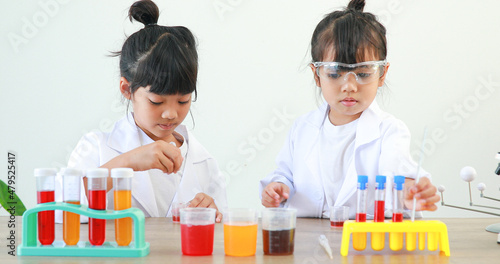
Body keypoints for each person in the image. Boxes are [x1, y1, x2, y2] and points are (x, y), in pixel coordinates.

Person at [259, 0, 439, 219]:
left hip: (365, 242)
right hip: (309, 239)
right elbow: (284, 174)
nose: (349, 86)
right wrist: (277, 188)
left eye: (363, 73)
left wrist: (413, 191)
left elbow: (398, 176)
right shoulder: (302, 128)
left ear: (381, 74)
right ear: (317, 75)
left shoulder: (390, 131)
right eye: (335, 73)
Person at [56, 0, 226, 222]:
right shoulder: (96, 149)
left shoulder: (203, 162)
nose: (171, 114)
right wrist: (127, 162)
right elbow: (60, 211)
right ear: (127, 89)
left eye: (183, 101)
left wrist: (212, 215)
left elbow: (221, 236)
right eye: (157, 101)